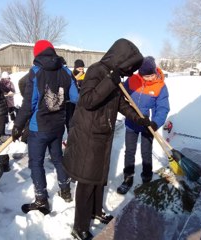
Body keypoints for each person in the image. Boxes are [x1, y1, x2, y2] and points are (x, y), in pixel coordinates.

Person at [62, 38, 156, 240]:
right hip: (89, 135)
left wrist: (139, 119)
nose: (130, 70)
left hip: (102, 133)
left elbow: (120, 104)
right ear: (121, 59)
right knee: (87, 181)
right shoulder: (97, 71)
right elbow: (87, 101)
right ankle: (79, 227)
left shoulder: (114, 76)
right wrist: (110, 80)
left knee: (98, 177)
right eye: (129, 65)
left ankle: (95, 211)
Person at [11, 40, 79, 215]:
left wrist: (18, 125)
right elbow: (75, 97)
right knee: (57, 158)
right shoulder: (65, 70)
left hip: (38, 127)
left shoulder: (36, 72)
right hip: (58, 126)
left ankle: (42, 200)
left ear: (37, 54)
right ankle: (65, 191)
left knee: (36, 162)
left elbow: (29, 103)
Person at [117, 56, 170, 195]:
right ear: (140, 73)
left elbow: (163, 108)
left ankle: (147, 176)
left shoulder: (160, 86)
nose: (149, 78)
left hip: (148, 125)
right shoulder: (133, 80)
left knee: (146, 151)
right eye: (146, 76)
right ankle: (127, 178)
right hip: (132, 122)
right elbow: (122, 94)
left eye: (151, 75)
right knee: (129, 151)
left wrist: (155, 123)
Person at [65, 59, 85, 133]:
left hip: (81, 101)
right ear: (75, 68)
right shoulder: (70, 75)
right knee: (70, 119)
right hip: (71, 102)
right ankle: (70, 134)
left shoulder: (86, 76)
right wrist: (75, 78)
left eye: (82, 68)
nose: (81, 69)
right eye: (79, 68)